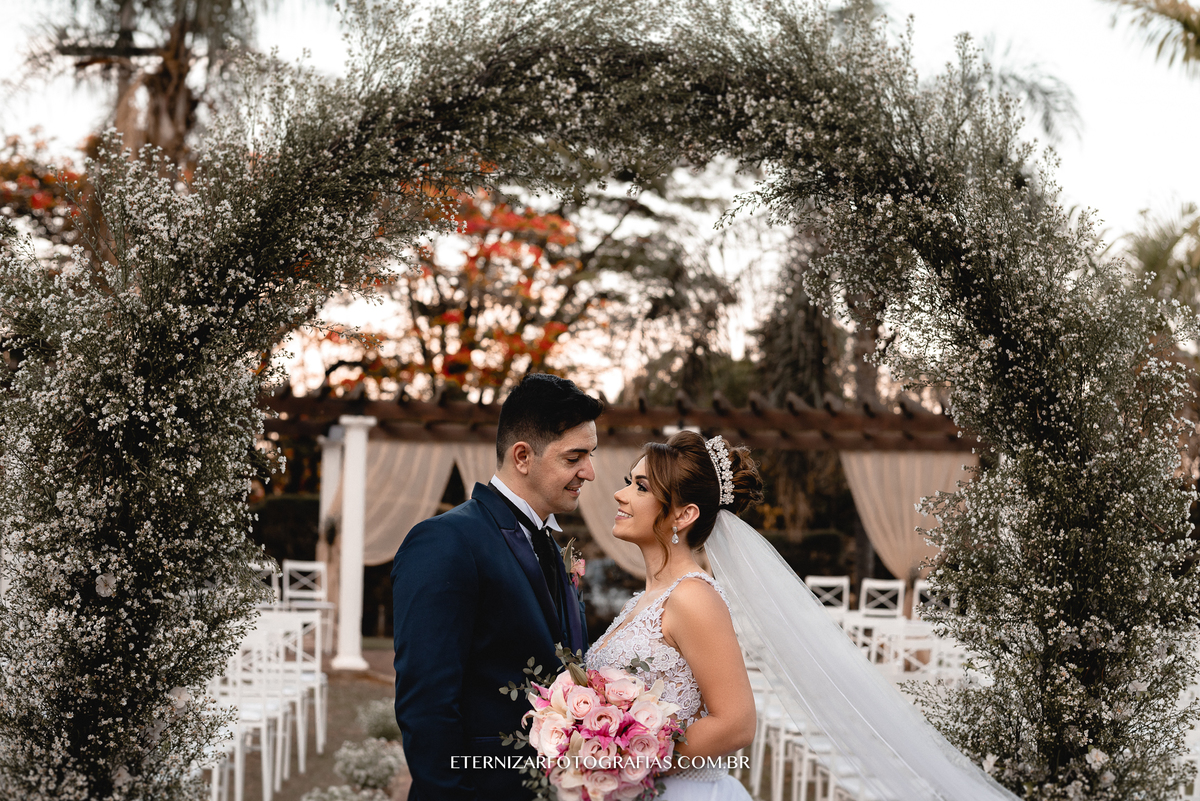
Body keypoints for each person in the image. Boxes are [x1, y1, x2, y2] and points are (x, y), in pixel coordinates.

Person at [590, 430, 1022, 801]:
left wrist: (624, 755)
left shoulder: (691, 598)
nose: (620, 493)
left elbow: (736, 724)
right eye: (630, 481)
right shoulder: (648, 597)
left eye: (641, 487)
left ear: (683, 515)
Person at [392, 373, 600, 801]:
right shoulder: (446, 542)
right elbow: (427, 704)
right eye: (574, 457)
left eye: (590, 455)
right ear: (522, 456)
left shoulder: (551, 546)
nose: (590, 472)